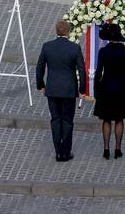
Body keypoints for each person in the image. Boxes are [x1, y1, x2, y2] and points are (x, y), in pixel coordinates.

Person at [36, 20, 86, 162]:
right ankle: (66, 152)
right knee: (68, 120)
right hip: (69, 90)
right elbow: (82, 71)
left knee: (56, 120)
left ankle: (58, 152)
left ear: (56, 31)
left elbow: (40, 68)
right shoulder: (74, 48)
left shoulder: (47, 47)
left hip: (52, 90)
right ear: (68, 32)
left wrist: (41, 85)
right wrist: (82, 89)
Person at [93, 23, 125, 159]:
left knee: (106, 120)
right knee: (119, 119)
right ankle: (118, 148)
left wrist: (96, 89)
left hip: (106, 87)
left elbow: (98, 72)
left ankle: (106, 149)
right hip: (122, 87)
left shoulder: (103, 52)